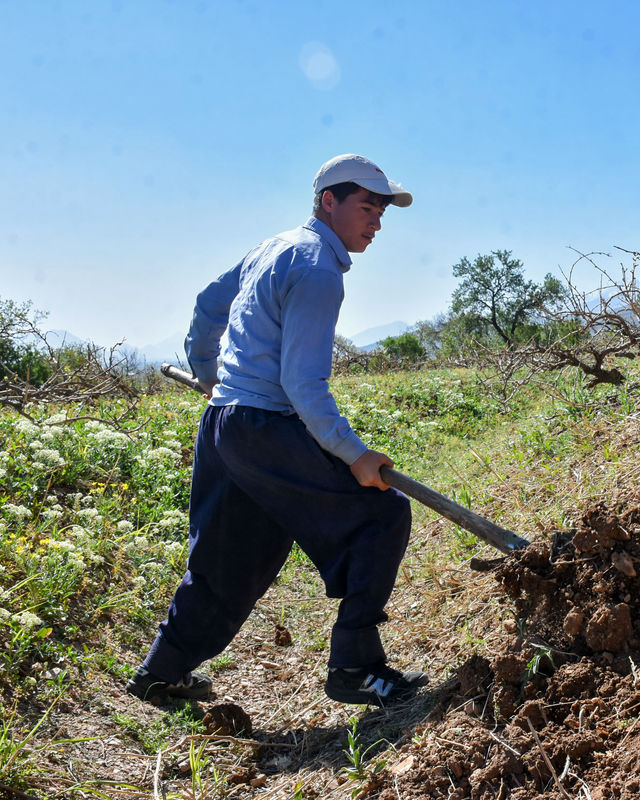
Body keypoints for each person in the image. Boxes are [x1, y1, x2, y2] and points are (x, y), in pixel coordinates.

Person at [126, 154, 427, 707]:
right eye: (367, 207)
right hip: (263, 425)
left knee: (231, 554)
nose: (377, 222)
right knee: (380, 515)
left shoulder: (276, 246)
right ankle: (356, 667)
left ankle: (162, 671)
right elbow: (302, 384)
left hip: (225, 425)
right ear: (328, 201)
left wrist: (210, 374)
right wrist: (354, 454)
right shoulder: (316, 269)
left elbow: (208, 305)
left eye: (382, 211)